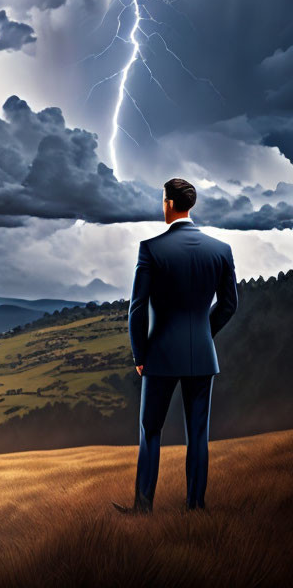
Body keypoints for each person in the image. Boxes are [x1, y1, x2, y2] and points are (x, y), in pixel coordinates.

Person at [114, 178, 238, 514]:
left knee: (150, 430)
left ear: (168, 203)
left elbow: (137, 309)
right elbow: (229, 305)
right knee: (198, 434)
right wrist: (202, 334)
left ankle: (143, 507)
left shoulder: (151, 248)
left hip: (160, 356)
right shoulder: (221, 250)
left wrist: (140, 355)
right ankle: (195, 505)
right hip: (202, 355)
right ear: (190, 205)